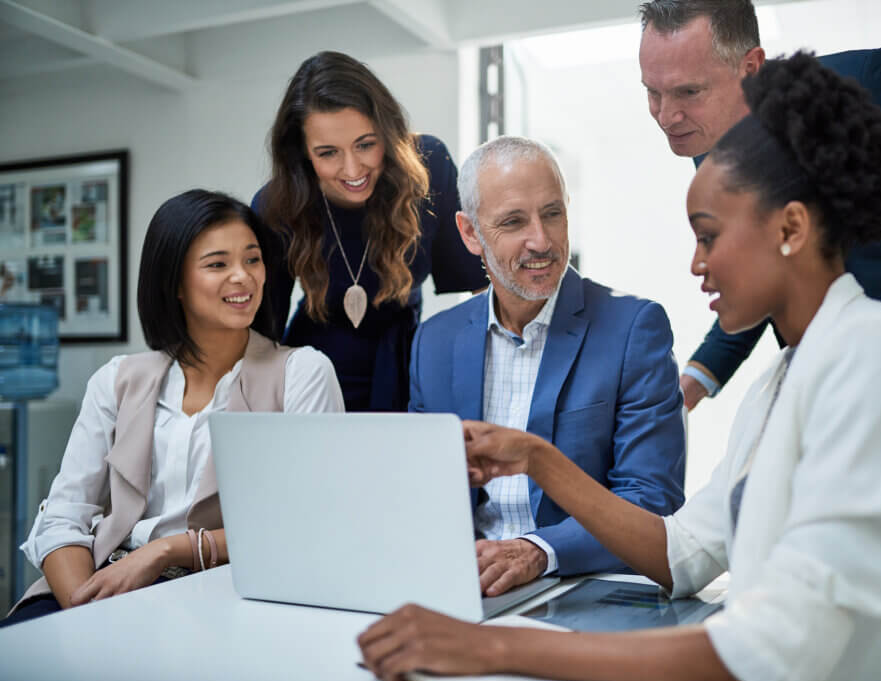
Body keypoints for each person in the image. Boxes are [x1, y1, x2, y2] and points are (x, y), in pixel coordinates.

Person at [357, 53, 881, 681]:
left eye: (708, 236)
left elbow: (782, 645)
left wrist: (497, 650)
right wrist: (537, 458)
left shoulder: (875, 358)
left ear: (790, 227)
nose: (697, 265)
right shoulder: (780, 384)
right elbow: (683, 555)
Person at [637, 0, 881, 432]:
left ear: (750, 68)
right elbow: (772, 267)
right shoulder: (708, 139)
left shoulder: (872, 91)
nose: (666, 117)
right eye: (652, 92)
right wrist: (691, 385)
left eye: (689, 92)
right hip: (833, 388)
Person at [1, 190, 344, 627]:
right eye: (218, 264)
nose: (243, 277)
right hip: (98, 584)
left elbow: (307, 525)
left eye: (253, 260)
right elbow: (65, 517)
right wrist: (82, 613)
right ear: (175, 284)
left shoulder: (302, 372)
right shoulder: (117, 379)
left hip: (221, 595)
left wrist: (166, 549)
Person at [408, 136, 685, 596]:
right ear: (470, 233)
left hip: (579, 586)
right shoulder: (434, 341)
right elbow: (422, 492)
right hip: (465, 586)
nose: (541, 240)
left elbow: (651, 502)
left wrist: (537, 550)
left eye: (553, 214)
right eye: (514, 221)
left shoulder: (634, 328)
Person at [253, 51, 488, 412]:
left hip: (406, 369)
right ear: (302, 152)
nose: (352, 169)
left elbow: (480, 293)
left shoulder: (429, 166)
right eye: (328, 153)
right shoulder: (276, 204)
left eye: (366, 144)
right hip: (309, 379)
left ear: (388, 131)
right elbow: (259, 337)